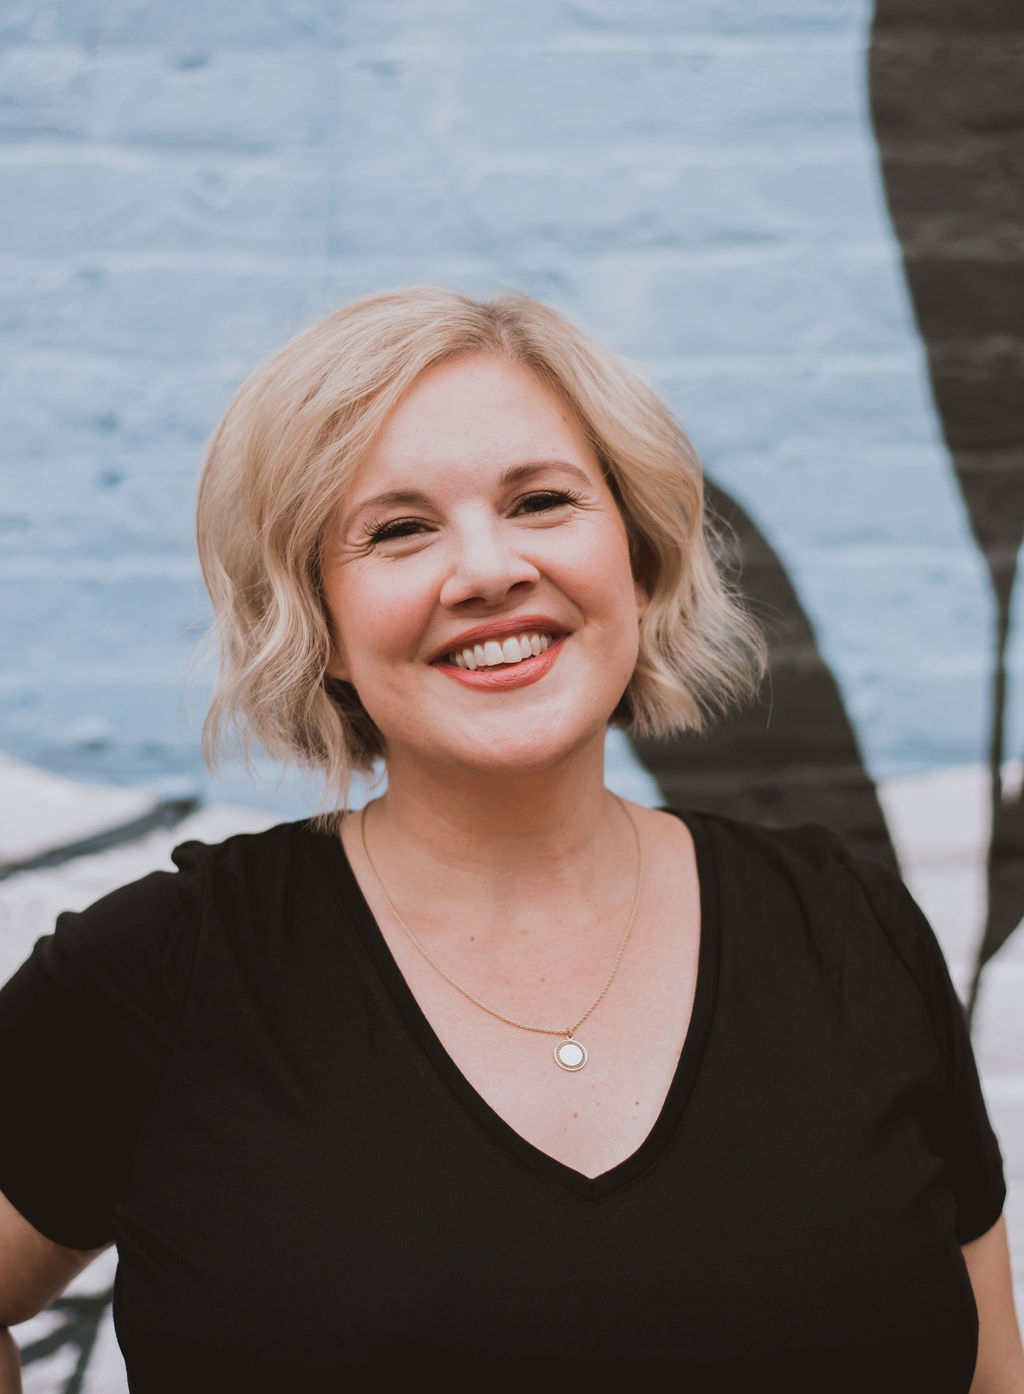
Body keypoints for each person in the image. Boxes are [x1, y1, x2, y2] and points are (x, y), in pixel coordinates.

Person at [1, 288, 1022, 1392]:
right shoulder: (163, 973)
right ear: (320, 622)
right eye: (397, 529)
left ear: (633, 555)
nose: (486, 569)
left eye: (540, 500)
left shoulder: (847, 932)